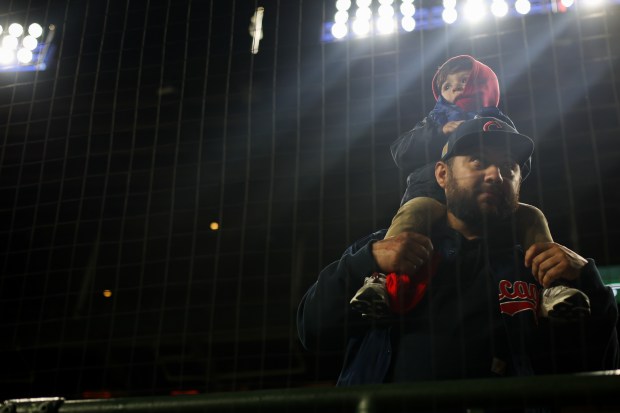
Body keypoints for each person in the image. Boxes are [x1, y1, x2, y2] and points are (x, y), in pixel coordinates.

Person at [297, 117, 618, 388]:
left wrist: (588, 283)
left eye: (509, 167)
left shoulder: (541, 265)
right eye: (477, 161)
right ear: (441, 174)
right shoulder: (387, 247)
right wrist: (365, 262)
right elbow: (313, 331)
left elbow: (599, 363)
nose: (496, 175)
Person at [349, 55, 590, 321]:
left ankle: (556, 288)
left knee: (533, 215)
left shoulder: (499, 123)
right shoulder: (434, 120)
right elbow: (401, 152)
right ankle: (378, 280)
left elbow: (523, 165)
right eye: (447, 86)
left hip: (491, 209)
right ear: (442, 171)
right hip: (430, 195)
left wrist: (585, 276)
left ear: (481, 84)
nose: (455, 90)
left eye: (463, 82)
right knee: (414, 210)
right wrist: (439, 132)